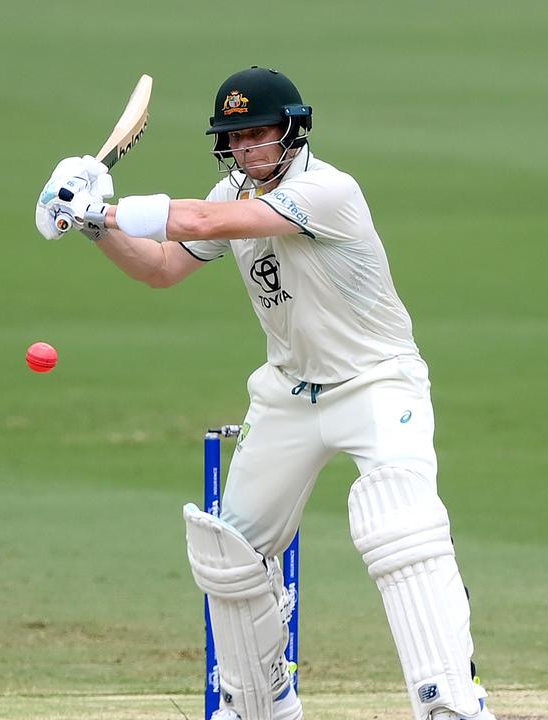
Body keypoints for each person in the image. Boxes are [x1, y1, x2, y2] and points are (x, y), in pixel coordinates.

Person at [35, 66, 495, 720]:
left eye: (260, 134)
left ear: (292, 130)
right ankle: (259, 704)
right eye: (236, 137)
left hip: (377, 381)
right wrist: (95, 228)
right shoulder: (232, 191)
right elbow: (163, 268)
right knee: (229, 553)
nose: (249, 148)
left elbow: (203, 220)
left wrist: (103, 205)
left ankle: (451, 700)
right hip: (288, 395)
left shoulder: (328, 190)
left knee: (399, 524)